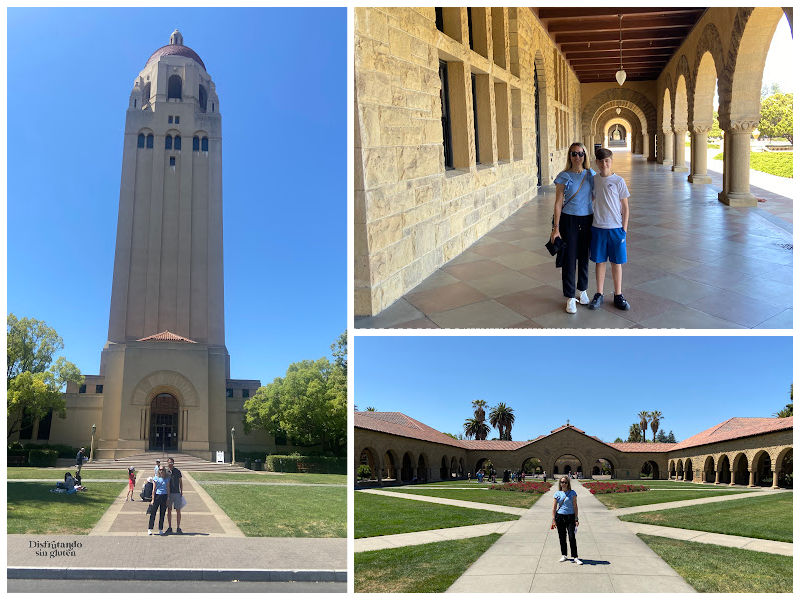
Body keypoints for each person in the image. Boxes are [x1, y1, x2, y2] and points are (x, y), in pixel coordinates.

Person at [551, 142, 596, 314]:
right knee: (569, 258)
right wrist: (556, 227)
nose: (577, 157)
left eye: (580, 153)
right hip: (568, 220)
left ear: (585, 156)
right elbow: (557, 202)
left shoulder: (591, 174)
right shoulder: (563, 176)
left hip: (587, 219)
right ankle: (570, 296)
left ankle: (582, 290)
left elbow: (595, 196)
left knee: (584, 256)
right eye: (573, 154)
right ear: (569, 156)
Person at [588, 147, 631, 311]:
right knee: (599, 262)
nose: (604, 164)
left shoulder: (618, 181)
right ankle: (599, 294)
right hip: (598, 227)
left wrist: (624, 230)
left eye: (607, 161)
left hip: (615, 228)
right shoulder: (594, 179)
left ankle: (618, 294)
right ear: (597, 163)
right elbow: (591, 198)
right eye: (601, 161)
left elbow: (625, 207)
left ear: (611, 162)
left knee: (616, 262)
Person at [552, 476, 582, 565]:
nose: (563, 484)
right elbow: (554, 508)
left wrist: (576, 518)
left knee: (572, 536)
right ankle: (564, 555)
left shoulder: (572, 493)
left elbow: (575, 506)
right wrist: (553, 520)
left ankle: (575, 557)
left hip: (570, 517)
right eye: (562, 482)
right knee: (562, 537)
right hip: (560, 517)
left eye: (565, 482)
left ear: (568, 483)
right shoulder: (557, 493)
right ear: (560, 483)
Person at [148, 466, 170, 535]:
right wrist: (152, 499)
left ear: (164, 470)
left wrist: (168, 498)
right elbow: (154, 489)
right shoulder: (156, 478)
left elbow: (168, 488)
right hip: (157, 496)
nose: (161, 471)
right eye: (160, 470)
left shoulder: (167, 479)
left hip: (164, 496)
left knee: (162, 513)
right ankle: (150, 528)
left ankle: (160, 529)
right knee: (153, 513)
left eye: (162, 470)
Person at [165, 457, 183, 535]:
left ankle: (178, 527)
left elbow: (180, 482)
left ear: (173, 463)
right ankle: (170, 527)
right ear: (167, 463)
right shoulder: (165, 472)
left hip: (176, 493)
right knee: (169, 510)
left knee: (178, 510)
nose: (170, 464)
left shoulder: (177, 471)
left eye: (171, 462)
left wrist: (181, 491)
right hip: (169, 493)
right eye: (169, 462)